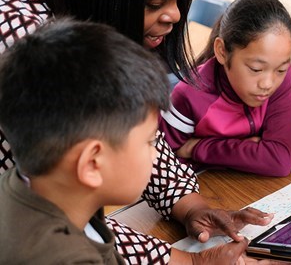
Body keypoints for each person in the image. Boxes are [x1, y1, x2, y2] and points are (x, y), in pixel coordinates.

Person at [0, 0, 276, 263]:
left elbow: (126, 129)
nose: (173, 14)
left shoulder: (67, 8)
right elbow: (70, 222)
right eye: (154, 2)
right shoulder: (24, 47)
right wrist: (188, 260)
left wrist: (189, 204)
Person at [0, 19, 168, 263]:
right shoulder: (62, 259)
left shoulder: (26, 188)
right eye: (150, 142)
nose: (155, 155)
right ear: (92, 163)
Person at [159, 0, 291, 177]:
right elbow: (163, 166)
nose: (268, 84)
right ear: (222, 51)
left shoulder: (281, 78)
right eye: (256, 69)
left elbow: (279, 160)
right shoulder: (189, 97)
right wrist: (251, 151)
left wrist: (199, 148)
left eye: (280, 70)